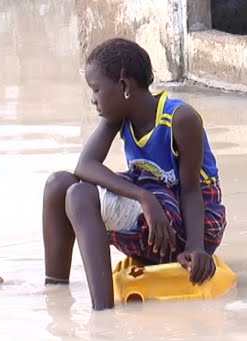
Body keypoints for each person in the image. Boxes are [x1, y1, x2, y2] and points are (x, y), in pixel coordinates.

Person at [42, 38, 226, 310]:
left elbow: (191, 190)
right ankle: (55, 293)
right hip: (154, 207)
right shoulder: (118, 115)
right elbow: (86, 165)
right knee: (58, 184)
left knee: (80, 194)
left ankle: (102, 313)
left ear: (124, 86)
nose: (93, 99)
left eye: (96, 89)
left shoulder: (180, 118)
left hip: (191, 223)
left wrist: (197, 248)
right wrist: (144, 198)